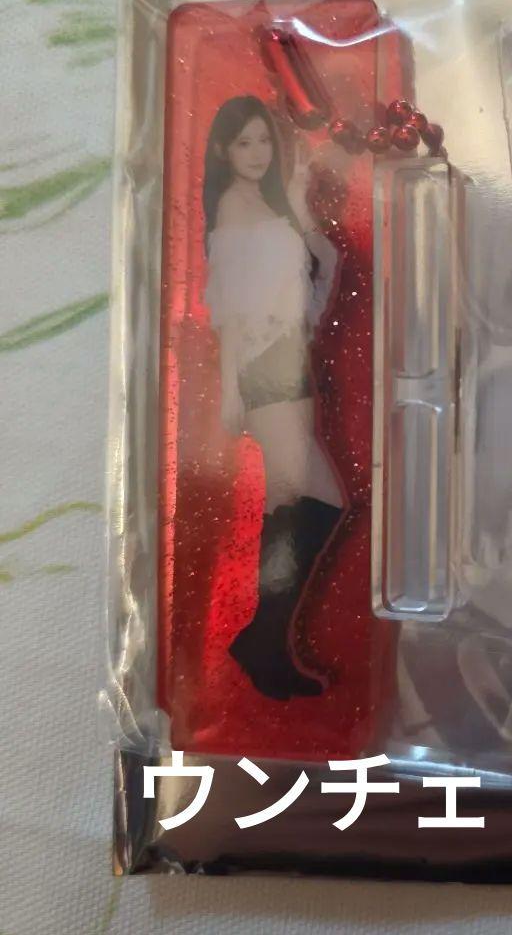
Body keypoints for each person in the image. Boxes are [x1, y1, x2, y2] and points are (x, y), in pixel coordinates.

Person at [201, 94, 345, 700]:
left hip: (290, 357)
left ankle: (266, 644)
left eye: (264, 140)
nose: (257, 152)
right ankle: (263, 640)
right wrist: (229, 389)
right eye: (244, 143)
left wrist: (300, 201)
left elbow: (319, 269)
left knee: (291, 498)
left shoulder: (268, 203)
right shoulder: (232, 210)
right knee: (322, 496)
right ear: (223, 150)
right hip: (264, 365)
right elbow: (230, 308)